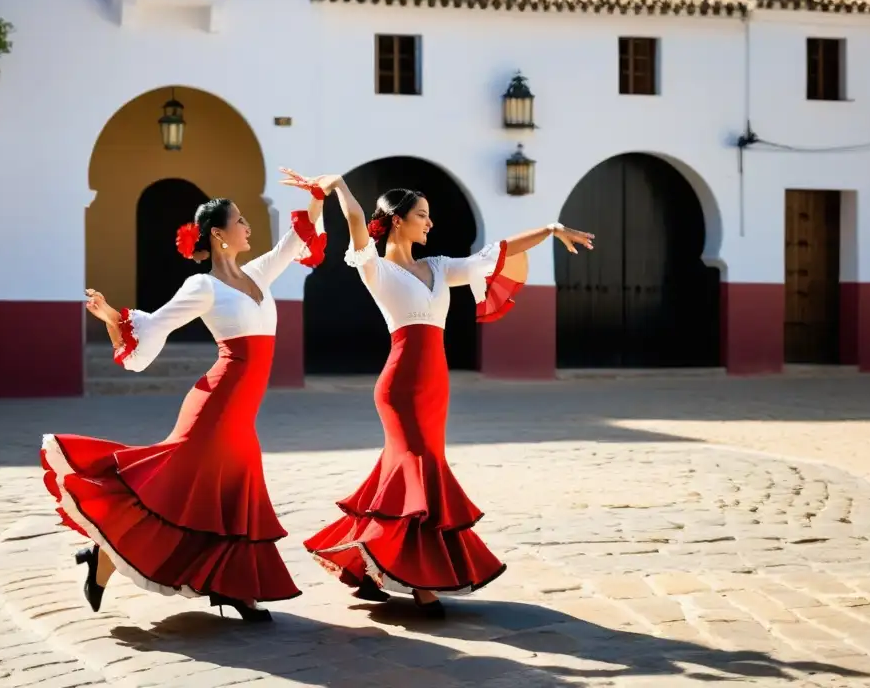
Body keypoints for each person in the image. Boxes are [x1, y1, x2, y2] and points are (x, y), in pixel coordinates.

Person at [282, 168, 594, 617]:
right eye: (422, 215)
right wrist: (337, 186)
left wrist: (549, 230)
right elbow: (353, 219)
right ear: (396, 220)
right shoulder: (373, 265)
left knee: (406, 474)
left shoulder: (441, 268)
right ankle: (421, 584)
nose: (430, 223)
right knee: (417, 472)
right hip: (401, 384)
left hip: (436, 384)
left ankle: (370, 570)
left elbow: (496, 254)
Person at [40, 185, 330, 623]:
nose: (249, 227)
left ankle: (230, 586)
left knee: (231, 492)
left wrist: (318, 193)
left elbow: (298, 239)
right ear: (218, 234)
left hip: (240, 412)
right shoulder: (203, 285)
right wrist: (113, 321)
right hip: (213, 407)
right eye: (241, 221)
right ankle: (104, 556)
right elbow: (156, 326)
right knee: (175, 489)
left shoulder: (258, 274)